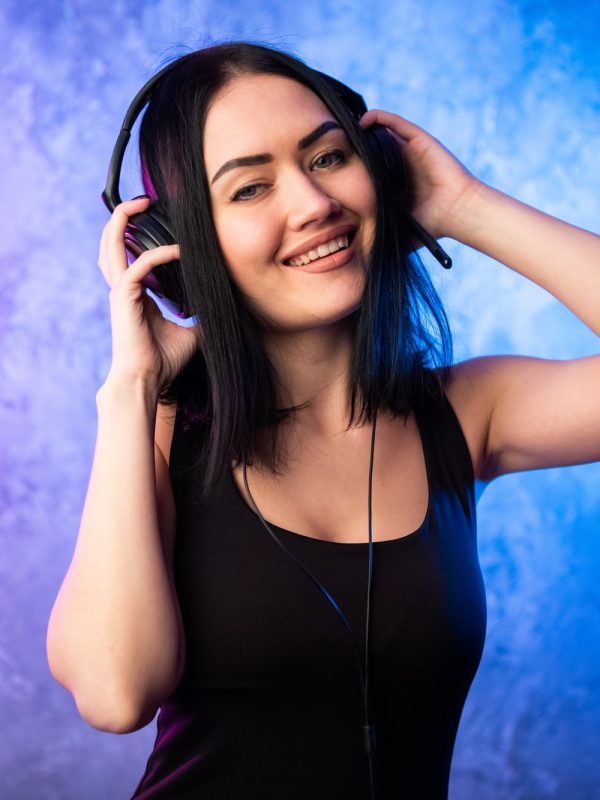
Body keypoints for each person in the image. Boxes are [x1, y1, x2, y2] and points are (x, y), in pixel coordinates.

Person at [46, 42, 600, 800]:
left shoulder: (468, 414)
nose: (311, 204)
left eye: (330, 158)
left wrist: (466, 207)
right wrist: (131, 387)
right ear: (176, 245)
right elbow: (115, 696)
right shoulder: (159, 432)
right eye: (249, 189)